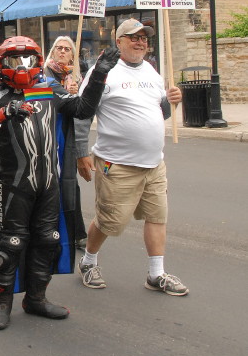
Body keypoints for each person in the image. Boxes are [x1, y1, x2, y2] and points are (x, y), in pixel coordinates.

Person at [0, 36, 119, 330]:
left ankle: (36, 298)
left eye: (28, 59)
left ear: (37, 61)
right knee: (10, 243)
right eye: (14, 60)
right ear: (1, 64)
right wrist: (2, 114)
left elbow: (83, 109)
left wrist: (98, 75)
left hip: (47, 181)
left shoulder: (48, 88)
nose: (22, 66)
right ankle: (2, 302)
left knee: (49, 239)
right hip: (12, 184)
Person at [75, 18, 188, 296]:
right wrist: (81, 153)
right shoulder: (103, 72)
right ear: (119, 42)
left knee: (157, 216)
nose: (140, 42)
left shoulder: (151, 70)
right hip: (117, 163)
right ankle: (88, 262)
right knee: (108, 220)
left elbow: (158, 113)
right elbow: (82, 113)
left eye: (144, 38)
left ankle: (156, 274)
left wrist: (170, 101)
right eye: (133, 37)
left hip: (153, 164)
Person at [43, 36, 87, 251]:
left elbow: (84, 109)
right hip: (48, 135)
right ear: (52, 52)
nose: (62, 51)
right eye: (58, 48)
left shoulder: (76, 78)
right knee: (49, 184)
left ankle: (76, 232)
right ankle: (49, 230)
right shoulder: (44, 74)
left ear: (72, 55)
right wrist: (67, 96)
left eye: (67, 49)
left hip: (67, 137)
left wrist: (77, 94)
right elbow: (52, 98)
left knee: (70, 184)